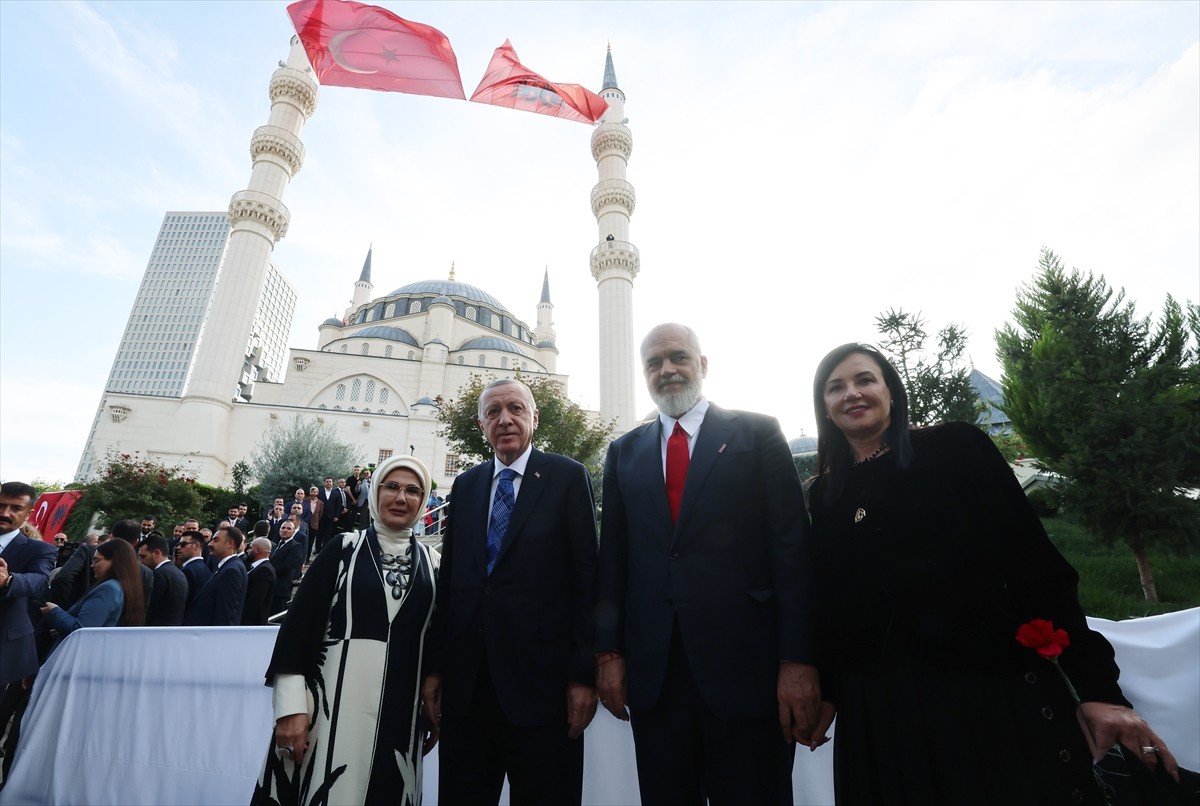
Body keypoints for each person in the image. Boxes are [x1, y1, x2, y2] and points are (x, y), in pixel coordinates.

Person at [806, 342, 1185, 805]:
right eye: (835, 387)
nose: (852, 394)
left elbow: (1035, 564)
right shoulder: (824, 495)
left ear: (890, 390)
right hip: (885, 707)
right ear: (823, 406)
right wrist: (825, 691)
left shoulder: (954, 448)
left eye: (865, 379)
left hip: (984, 689)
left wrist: (1097, 689)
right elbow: (832, 602)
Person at [594, 323, 819, 806]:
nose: (667, 369)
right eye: (654, 363)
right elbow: (613, 560)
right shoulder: (624, 453)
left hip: (747, 670)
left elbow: (791, 551)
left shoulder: (756, 434)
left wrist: (798, 660)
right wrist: (609, 654)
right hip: (657, 676)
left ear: (703, 365)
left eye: (678, 357)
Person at [422, 378, 599, 806]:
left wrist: (582, 677)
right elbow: (451, 586)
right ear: (481, 424)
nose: (505, 419)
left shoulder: (568, 478)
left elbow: (586, 583)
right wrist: (435, 669)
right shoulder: (464, 487)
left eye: (516, 408)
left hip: (542, 694)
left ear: (534, 418)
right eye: (493, 412)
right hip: (467, 694)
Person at [252, 455, 439, 806]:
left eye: (413, 490)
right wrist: (290, 710)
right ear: (375, 492)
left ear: (424, 500)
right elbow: (297, 632)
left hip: (401, 719)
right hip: (328, 714)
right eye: (392, 487)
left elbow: (439, 641)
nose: (402, 497)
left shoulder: (435, 565)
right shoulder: (343, 550)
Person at [40, 538, 145, 650]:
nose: (92, 566)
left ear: (114, 561)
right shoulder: (122, 587)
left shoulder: (109, 589)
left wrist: (54, 611)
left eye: (96, 560)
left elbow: (82, 630)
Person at [0, 482, 56, 687]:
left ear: (28, 514)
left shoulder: (40, 550)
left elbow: (39, 579)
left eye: (16, 508)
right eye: (1, 505)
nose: (5, 513)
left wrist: (9, 580)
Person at [183, 526, 246, 626]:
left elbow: (226, 614)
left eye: (216, 540)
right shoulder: (225, 567)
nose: (210, 544)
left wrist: (218, 638)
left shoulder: (231, 570)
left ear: (230, 544)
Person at [138, 534, 187, 626]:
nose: (140, 561)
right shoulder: (178, 572)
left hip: (158, 629)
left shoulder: (159, 574)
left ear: (157, 553)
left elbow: (151, 606)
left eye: (143, 556)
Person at [268, 520, 305, 616]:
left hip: (281, 591)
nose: (285, 530)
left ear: (293, 531)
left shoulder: (296, 547)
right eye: (283, 528)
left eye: (289, 528)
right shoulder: (275, 546)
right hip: (269, 589)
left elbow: (287, 566)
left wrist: (268, 573)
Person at [242, 538, 276, 626]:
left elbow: (255, 601)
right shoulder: (260, 568)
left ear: (257, 550)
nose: (248, 551)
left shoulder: (264, 570)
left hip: (251, 624)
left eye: (251, 548)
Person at [176, 530, 212, 607]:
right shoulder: (206, 569)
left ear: (196, 546)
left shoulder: (188, 571)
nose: (178, 547)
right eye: (178, 544)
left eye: (183, 544)